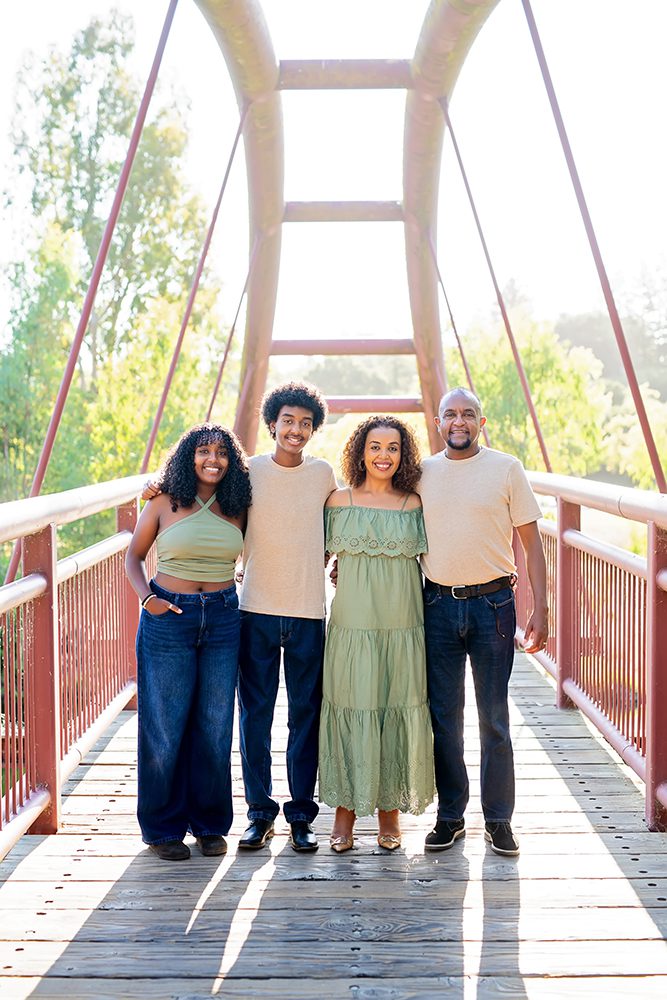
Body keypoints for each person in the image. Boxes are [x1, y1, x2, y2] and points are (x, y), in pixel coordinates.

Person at [419, 387, 548, 857]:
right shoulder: (422, 472)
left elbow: (532, 544)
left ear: (482, 421)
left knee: (494, 718)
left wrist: (542, 608)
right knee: (443, 718)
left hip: (494, 605)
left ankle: (498, 820)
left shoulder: (506, 468)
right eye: (450, 414)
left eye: (468, 414)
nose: (459, 422)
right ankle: (451, 816)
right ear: (438, 423)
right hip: (435, 605)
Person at [126, 423, 251, 861]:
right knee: (164, 726)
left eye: (221, 452)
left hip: (222, 616)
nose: (212, 459)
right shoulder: (163, 501)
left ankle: (210, 825)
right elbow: (133, 556)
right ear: (188, 456)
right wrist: (149, 600)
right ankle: (163, 829)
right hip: (169, 618)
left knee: (215, 725)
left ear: (232, 460)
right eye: (203, 451)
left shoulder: (239, 504)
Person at [319, 416, 435, 853]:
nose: (383, 456)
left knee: (394, 706)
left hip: (402, 626)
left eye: (393, 448)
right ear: (359, 452)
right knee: (354, 705)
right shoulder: (337, 501)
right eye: (375, 447)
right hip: (353, 627)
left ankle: (390, 812)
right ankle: (344, 813)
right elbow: (293, 533)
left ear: (403, 456)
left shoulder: (415, 504)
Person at [237, 381, 337, 853]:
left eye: (305, 423)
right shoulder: (249, 470)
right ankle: (259, 814)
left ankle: (300, 814)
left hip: (307, 612)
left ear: (313, 429)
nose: (295, 430)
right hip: (254, 608)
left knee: (305, 716)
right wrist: (156, 482)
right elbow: (204, 491)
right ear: (272, 423)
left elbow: (348, 517)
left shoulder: (323, 475)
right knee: (254, 716)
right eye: (287, 421)